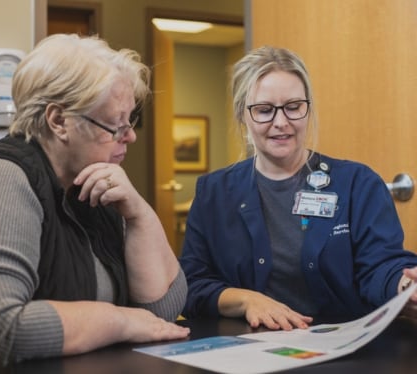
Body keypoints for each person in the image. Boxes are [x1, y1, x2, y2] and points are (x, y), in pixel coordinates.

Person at [0, 34, 189, 374]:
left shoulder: (93, 182)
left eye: (130, 121)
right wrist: (117, 320)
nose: (130, 136)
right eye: (115, 125)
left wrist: (139, 215)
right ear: (59, 121)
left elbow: (160, 313)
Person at [179, 46, 417, 331]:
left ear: (308, 109)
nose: (281, 122)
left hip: (341, 347)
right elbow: (192, 285)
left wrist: (406, 285)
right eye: (264, 110)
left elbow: (381, 266)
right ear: (243, 116)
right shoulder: (214, 192)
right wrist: (247, 300)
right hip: (250, 350)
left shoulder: (358, 183)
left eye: (293, 107)